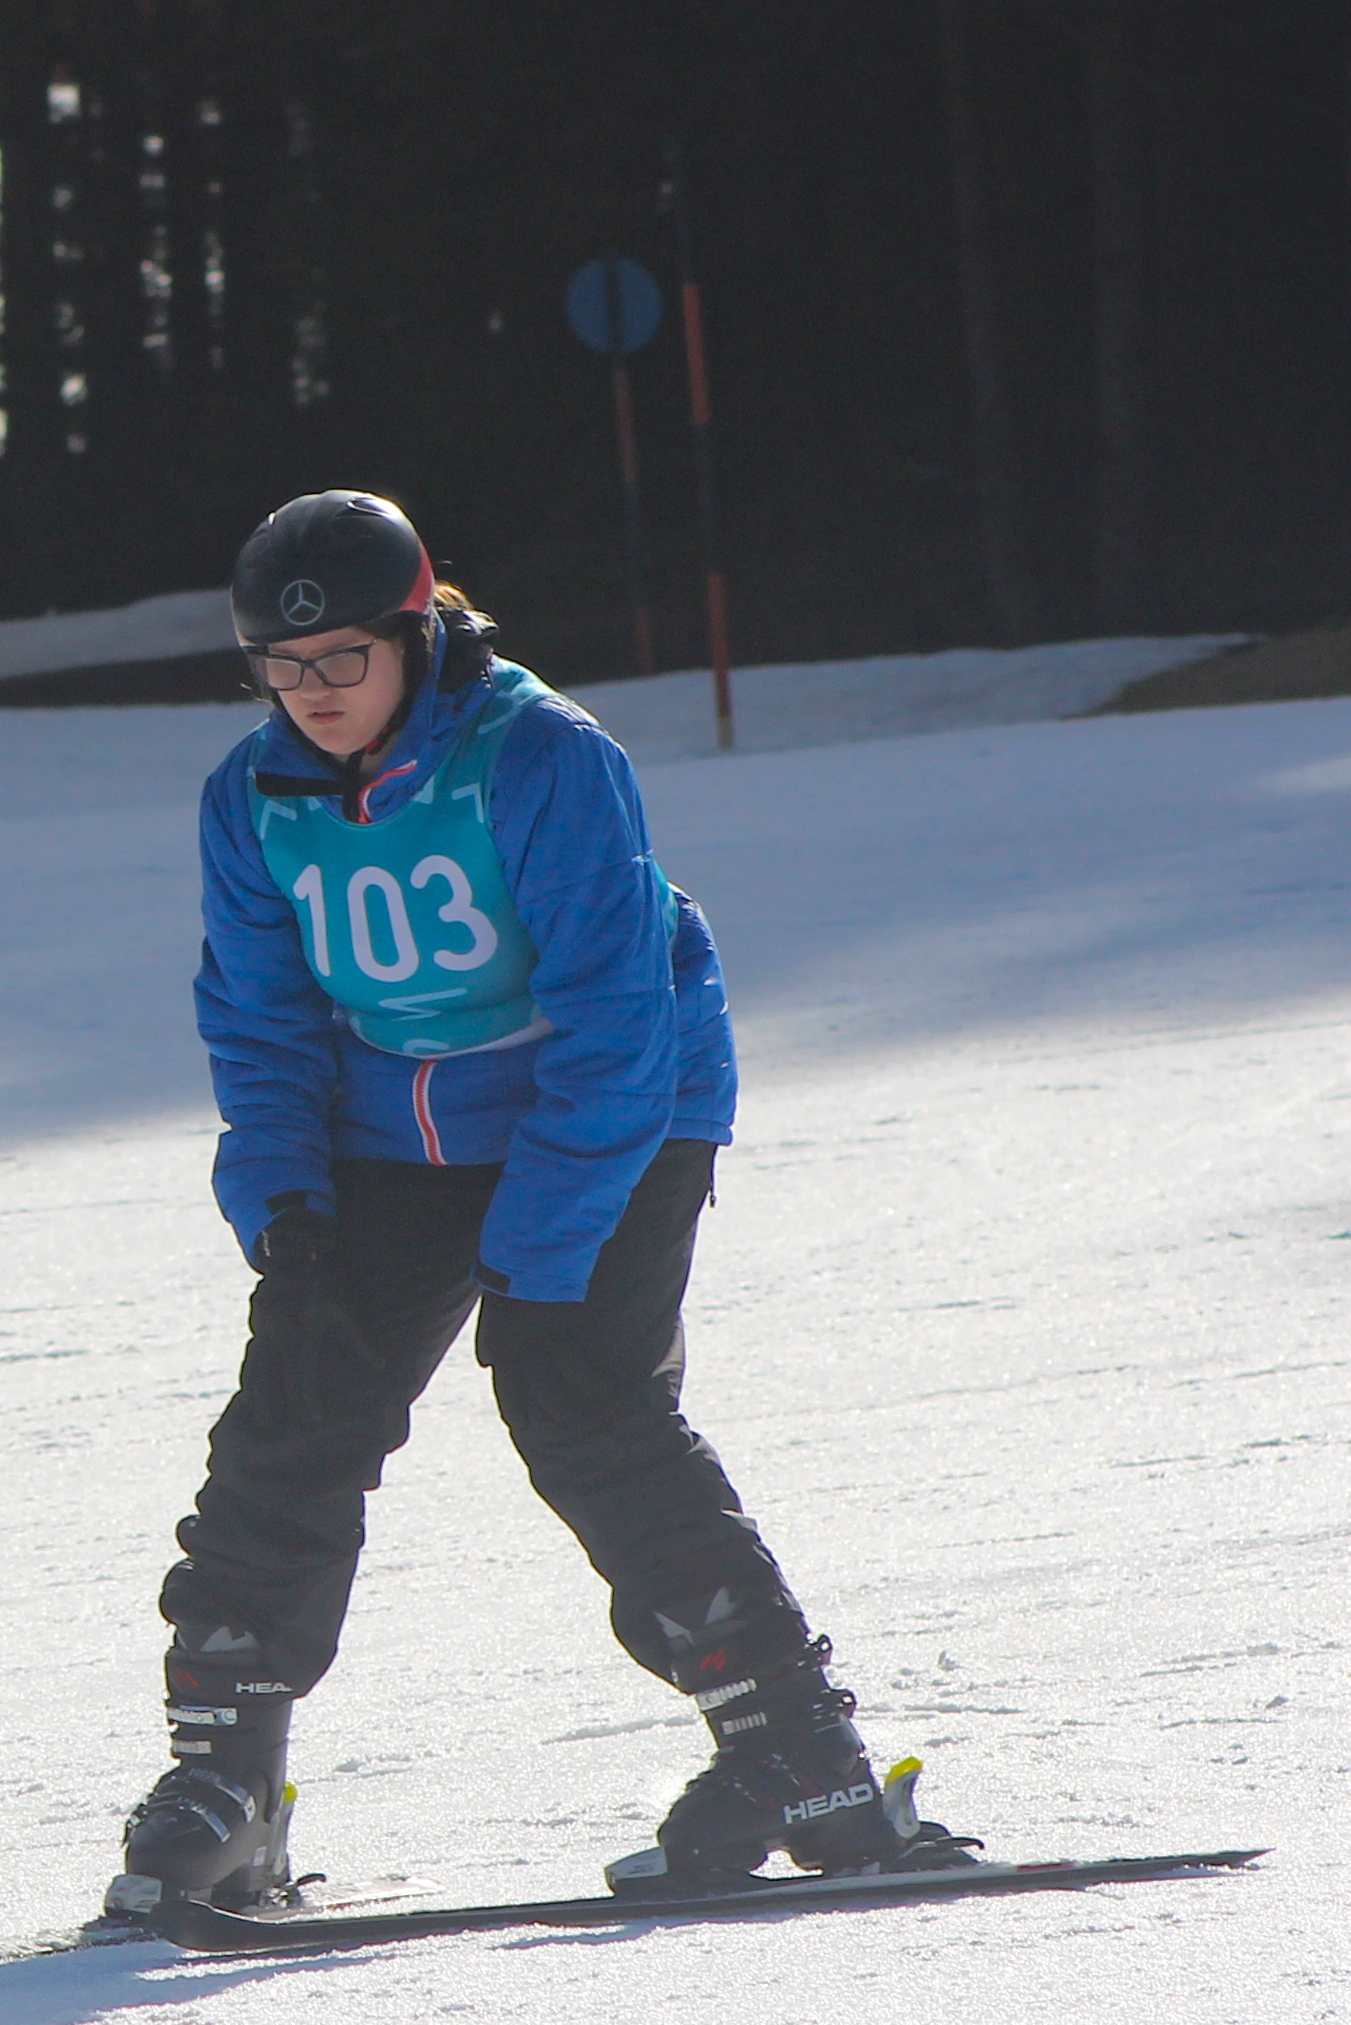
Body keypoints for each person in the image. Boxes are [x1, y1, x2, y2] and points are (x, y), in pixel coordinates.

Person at [110, 488, 977, 1929]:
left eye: (341, 664)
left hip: (614, 1111)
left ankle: (799, 1761)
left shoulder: (539, 754)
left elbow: (615, 1015)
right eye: (280, 667)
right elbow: (256, 1024)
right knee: (294, 1411)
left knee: (580, 1400)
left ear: (416, 632)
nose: (311, 696)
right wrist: (284, 1203)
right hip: (390, 1136)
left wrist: (539, 1246)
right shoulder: (247, 796)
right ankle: (226, 1785)